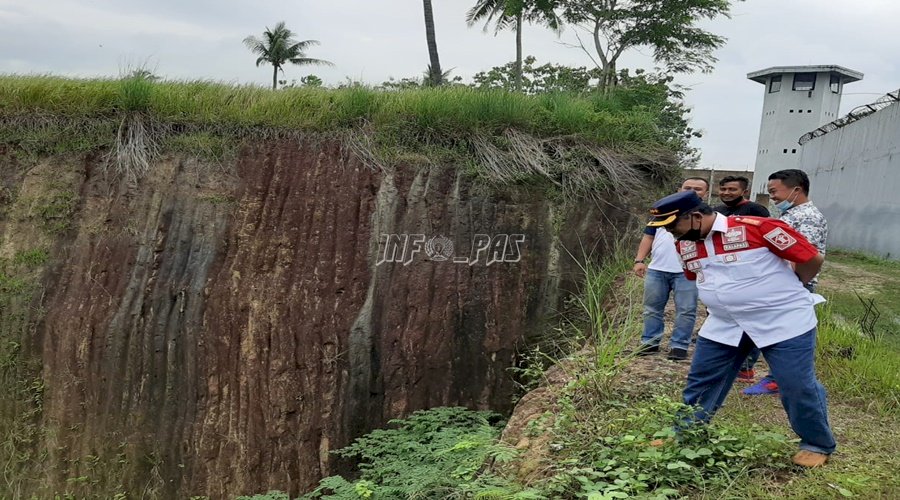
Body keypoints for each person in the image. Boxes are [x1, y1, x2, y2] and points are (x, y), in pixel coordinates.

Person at [647, 190, 835, 468]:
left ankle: (816, 443)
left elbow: (811, 258)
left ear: (696, 216)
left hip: (782, 320)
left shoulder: (759, 228)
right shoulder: (685, 243)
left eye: (673, 226)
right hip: (725, 323)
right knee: (702, 381)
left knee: (795, 383)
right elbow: (696, 275)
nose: (671, 233)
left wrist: (794, 287)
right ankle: (686, 433)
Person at [742, 169, 828, 395]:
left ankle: (779, 380)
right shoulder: (793, 214)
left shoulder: (807, 217)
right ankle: (763, 374)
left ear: (796, 190)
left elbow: (805, 253)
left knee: (787, 334)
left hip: (794, 284)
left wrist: (795, 283)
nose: (772, 197)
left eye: (774, 191)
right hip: (782, 283)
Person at [633, 178, 709, 361]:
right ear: (679, 188)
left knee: (686, 309)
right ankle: (650, 342)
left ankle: (679, 346)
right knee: (651, 308)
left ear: (705, 193)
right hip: (658, 269)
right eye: (688, 187)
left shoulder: (705, 217)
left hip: (688, 271)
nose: (692, 191)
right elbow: (648, 237)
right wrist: (639, 260)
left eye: (698, 189)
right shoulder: (662, 213)